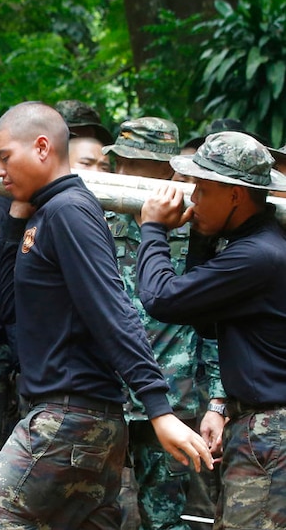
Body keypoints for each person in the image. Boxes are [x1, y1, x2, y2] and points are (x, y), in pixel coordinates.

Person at [0, 102, 212, 530]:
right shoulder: (47, 212)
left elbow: (112, 310)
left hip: (68, 419)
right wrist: (16, 218)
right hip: (82, 419)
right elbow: (8, 306)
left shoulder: (70, 211)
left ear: (42, 147)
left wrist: (158, 408)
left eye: (4, 157)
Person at [136, 131, 286, 529]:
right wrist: (202, 239)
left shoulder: (257, 256)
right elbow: (201, 320)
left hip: (272, 430)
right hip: (256, 425)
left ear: (235, 195)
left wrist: (152, 230)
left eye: (201, 190)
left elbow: (161, 299)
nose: (193, 200)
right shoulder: (253, 247)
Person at [102, 117, 226, 530]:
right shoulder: (97, 222)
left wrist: (217, 401)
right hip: (105, 397)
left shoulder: (199, 232)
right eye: (120, 160)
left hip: (172, 402)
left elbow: (216, 325)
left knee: (166, 519)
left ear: (166, 170)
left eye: (135, 161)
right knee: (91, 513)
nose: (123, 171)